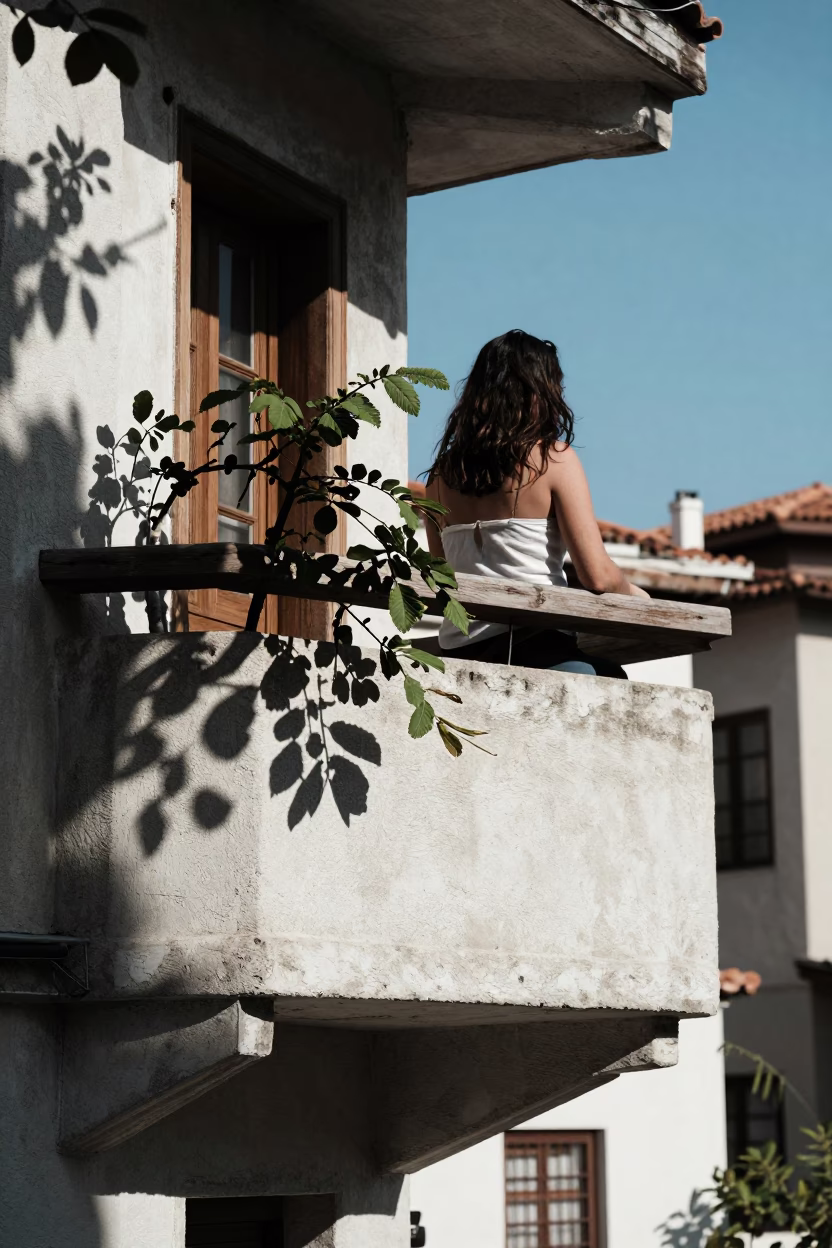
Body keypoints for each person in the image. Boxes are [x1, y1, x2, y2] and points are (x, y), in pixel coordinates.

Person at [424, 329, 649, 677]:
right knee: (615, 680)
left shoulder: (439, 477)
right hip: (535, 643)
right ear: (538, 391)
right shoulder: (552, 459)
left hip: (460, 650)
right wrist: (637, 595)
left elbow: (442, 576)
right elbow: (597, 576)